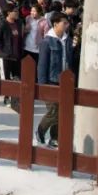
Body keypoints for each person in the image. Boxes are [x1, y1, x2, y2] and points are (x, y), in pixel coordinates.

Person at [36, 12, 71, 148]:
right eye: (64, 23)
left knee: (61, 111)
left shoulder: (67, 40)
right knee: (53, 111)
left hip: (64, 81)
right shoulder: (47, 41)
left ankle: (54, 137)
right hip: (51, 80)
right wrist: (42, 85)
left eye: (67, 23)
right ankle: (40, 131)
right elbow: (42, 64)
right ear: (55, 24)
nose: (67, 26)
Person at [0, 3, 23, 111]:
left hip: (17, 56)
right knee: (6, 78)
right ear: (8, 13)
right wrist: (3, 50)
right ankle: (7, 98)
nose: (17, 13)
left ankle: (15, 99)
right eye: (15, 11)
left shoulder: (18, 23)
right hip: (6, 56)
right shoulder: (2, 25)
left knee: (17, 78)